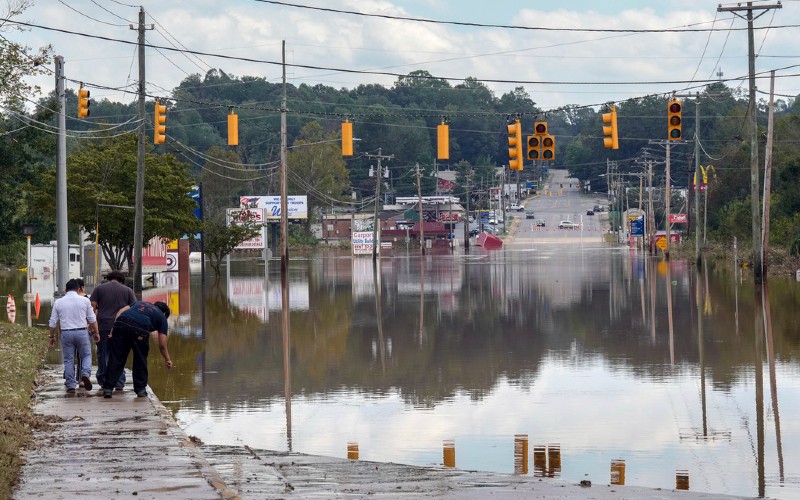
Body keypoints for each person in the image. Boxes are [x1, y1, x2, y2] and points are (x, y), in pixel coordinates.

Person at [102, 301, 173, 399]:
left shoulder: (140, 303)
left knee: (116, 356)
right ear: (164, 313)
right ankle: (140, 390)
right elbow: (162, 345)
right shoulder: (162, 317)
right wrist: (167, 359)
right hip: (140, 328)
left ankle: (108, 389)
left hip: (120, 323)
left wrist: (114, 326)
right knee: (140, 359)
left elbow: (121, 310)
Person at [48, 279, 100, 393]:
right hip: (82, 332)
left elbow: (52, 322)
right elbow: (92, 319)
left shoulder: (58, 302)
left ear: (65, 290)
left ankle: (71, 385)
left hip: (66, 333)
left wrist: (51, 336)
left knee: (68, 359)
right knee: (86, 355)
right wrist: (96, 333)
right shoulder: (85, 301)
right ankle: (85, 374)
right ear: (78, 289)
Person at [89, 271, 136, 391]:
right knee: (119, 354)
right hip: (122, 326)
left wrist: (91, 324)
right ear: (121, 280)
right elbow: (134, 307)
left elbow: (92, 307)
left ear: (108, 278)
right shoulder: (127, 290)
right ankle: (119, 382)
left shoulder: (99, 289)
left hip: (103, 325)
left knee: (103, 354)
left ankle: (104, 381)